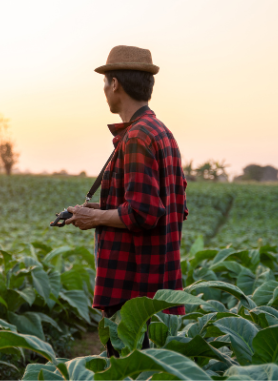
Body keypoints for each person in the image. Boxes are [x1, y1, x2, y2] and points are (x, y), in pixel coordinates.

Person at [65, 45, 188, 357]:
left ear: (115, 84)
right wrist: (96, 210)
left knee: (127, 371)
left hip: (134, 291)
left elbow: (144, 213)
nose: (104, 91)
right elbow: (168, 207)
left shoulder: (135, 138)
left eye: (105, 83)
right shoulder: (161, 133)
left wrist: (96, 219)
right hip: (159, 286)